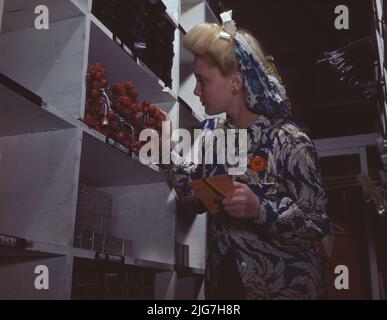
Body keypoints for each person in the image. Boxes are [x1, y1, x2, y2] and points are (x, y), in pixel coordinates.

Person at [160, 11, 330, 300]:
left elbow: (316, 225)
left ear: (235, 82)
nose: (197, 90)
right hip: (227, 284)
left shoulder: (289, 141)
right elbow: (199, 200)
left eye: (203, 80)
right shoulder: (218, 135)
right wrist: (167, 152)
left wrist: (261, 210)